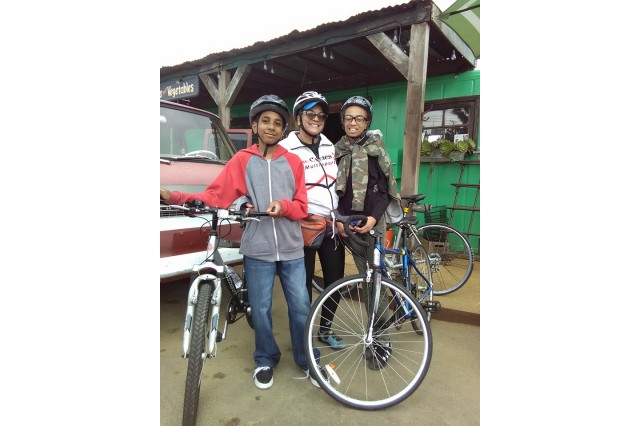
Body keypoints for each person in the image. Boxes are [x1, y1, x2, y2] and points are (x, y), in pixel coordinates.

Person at [160, 94, 321, 390]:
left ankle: (306, 356)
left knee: (300, 306)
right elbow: (214, 196)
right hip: (257, 249)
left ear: (284, 128)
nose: (271, 127)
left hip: (292, 250)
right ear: (255, 125)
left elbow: (301, 206)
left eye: (277, 123)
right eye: (265, 121)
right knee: (259, 309)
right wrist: (176, 196)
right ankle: (265, 358)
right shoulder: (241, 160)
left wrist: (283, 206)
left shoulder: (294, 162)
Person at [333, 95, 402, 370]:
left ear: (367, 122)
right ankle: (374, 334)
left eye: (359, 118)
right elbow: (333, 190)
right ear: (343, 121)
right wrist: (339, 219)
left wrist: (373, 219)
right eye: (348, 117)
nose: (353, 122)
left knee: (376, 285)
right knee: (365, 281)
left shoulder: (376, 147)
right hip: (348, 223)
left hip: (372, 224)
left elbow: (384, 190)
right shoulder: (337, 150)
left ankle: (380, 342)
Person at [279, 90, 346, 351]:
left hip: (331, 226)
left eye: (321, 115)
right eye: (310, 114)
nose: (316, 119)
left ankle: (325, 330)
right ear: (298, 118)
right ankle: (303, 337)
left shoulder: (329, 145)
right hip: (302, 226)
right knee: (302, 288)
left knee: (335, 282)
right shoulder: (285, 148)